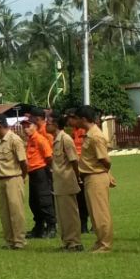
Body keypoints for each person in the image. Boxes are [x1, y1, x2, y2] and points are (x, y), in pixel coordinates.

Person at [77, 106, 115, 253]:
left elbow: (105, 160)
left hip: (96, 176)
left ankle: (105, 244)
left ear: (84, 119)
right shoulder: (90, 134)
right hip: (90, 176)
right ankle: (100, 242)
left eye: (78, 118)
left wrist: (104, 171)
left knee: (100, 212)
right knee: (94, 213)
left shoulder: (95, 136)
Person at [0, 113, 28, 250]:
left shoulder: (14, 140)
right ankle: (10, 239)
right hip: (1, 179)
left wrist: (22, 177)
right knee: (5, 212)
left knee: (16, 211)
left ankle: (19, 240)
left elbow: (23, 162)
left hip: (13, 178)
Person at [48, 114, 83, 252]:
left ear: (56, 124)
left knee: (70, 214)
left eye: (48, 122)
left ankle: (75, 242)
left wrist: (77, 176)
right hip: (59, 182)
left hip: (67, 181)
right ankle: (67, 242)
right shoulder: (56, 140)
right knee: (62, 215)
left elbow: (74, 160)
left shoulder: (65, 139)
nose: (46, 125)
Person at [24, 108, 55, 239]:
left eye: (27, 126)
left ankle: (51, 227)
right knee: (34, 202)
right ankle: (39, 227)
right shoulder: (31, 140)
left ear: (34, 126)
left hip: (41, 171)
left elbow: (49, 156)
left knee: (44, 200)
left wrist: (48, 170)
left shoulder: (41, 139)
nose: (25, 129)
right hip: (33, 172)